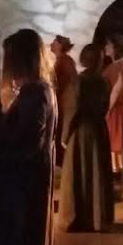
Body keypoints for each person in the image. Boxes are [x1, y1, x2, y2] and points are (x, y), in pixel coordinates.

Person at [0, 29, 60, 245]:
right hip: (30, 176)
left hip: (24, 181)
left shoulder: (35, 92)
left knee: (23, 239)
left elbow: (28, 140)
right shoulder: (40, 90)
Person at [58, 43, 114, 233]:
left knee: (78, 173)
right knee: (96, 174)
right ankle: (97, 219)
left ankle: (76, 218)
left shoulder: (78, 82)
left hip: (81, 132)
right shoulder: (104, 82)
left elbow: (73, 109)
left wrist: (65, 135)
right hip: (98, 130)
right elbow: (105, 106)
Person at [103, 34, 123, 177]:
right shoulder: (121, 65)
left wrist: (106, 111)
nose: (106, 47)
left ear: (115, 48)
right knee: (115, 147)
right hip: (117, 110)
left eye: (108, 45)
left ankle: (114, 178)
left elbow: (116, 91)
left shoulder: (117, 66)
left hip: (114, 111)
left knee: (114, 146)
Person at [50, 35, 77, 165]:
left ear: (60, 45)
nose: (51, 44)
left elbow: (56, 84)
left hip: (63, 103)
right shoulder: (67, 61)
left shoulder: (62, 62)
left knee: (60, 130)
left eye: (54, 42)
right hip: (66, 103)